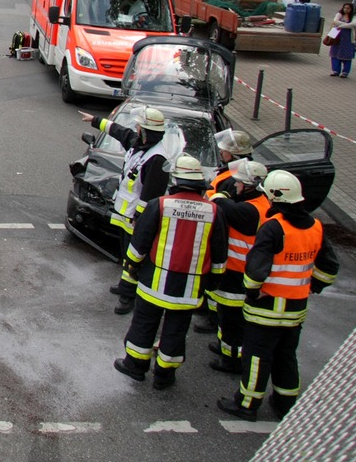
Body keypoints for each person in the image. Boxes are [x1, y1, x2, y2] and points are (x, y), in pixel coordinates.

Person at [217, 170, 340, 421]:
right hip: (295, 309)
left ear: (274, 197)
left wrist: (251, 292)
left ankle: (247, 404)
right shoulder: (315, 227)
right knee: (286, 356)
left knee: (256, 357)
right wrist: (313, 286)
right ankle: (285, 403)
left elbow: (255, 269)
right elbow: (329, 268)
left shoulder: (274, 227)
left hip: (266, 308)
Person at [113, 155, 227, 390]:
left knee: (144, 325)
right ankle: (164, 376)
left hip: (154, 281)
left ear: (175, 179)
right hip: (189, 288)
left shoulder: (161, 205)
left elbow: (139, 243)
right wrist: (213, 281)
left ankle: (135, 366)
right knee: (176, 332)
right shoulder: (214, 212)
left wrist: (132, 268)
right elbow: (219, 253)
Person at [79, 106, 172, 315]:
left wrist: (139, 218)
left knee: (134, 255)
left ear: (147, 131)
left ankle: (128, 296)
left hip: (136, 218)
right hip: (125, 214)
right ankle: (125, 285)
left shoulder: (157, 159)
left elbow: (150, 196)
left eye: (140, 127)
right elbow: (121, 132)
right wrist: (95, 119)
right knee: (125, 252)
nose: (136, 129)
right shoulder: (140, 144)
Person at [205, 159, 270, 373]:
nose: (236, 186)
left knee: (232, 319)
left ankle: (232, 360)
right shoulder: (261, 203)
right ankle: (228, 349)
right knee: (228, 316)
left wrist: (220, 194)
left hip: (237, 270)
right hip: (239, 269)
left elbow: (221, 203)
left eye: (239, 183)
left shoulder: (248, 210)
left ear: (248, 185)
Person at [328, 2, 354, 78]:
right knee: (334, 53)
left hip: (348, 38)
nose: (346, 9)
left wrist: (341, 25)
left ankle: (345, 72)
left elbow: (352, 24)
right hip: (337, 36)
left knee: (347, 55)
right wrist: (345, 25)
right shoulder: (339, 14)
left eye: (348, 8)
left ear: (351, 9)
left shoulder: (353, 16)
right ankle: (335, 71)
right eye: (345, 8)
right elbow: (335, 21)